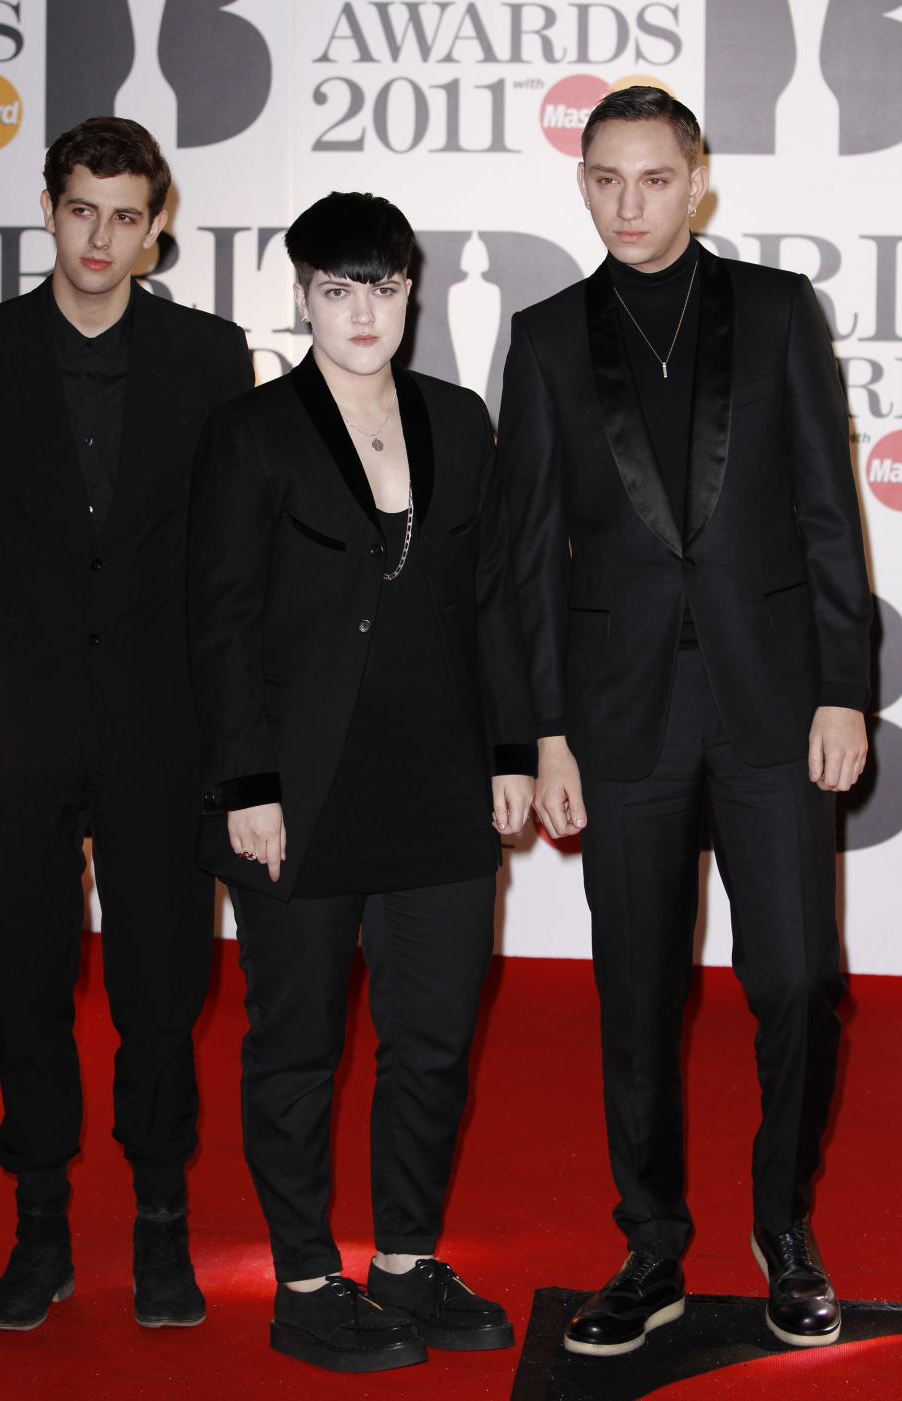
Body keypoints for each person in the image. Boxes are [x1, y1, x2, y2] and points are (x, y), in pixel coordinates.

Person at [497, 87, 871, 1356]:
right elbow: (528, 553)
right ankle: (651, 1244)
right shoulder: (547, 339)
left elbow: (832, 510)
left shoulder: (772, 312)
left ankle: (785, 1228)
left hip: (773, 703)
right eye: (605, 180)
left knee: (802, 982)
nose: (628, 205)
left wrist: (842, 685)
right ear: (584, 182)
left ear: (698, 181)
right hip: (620, 717)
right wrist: (541, 730)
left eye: (654, 180)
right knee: (636, 996)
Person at [187, 191, 536, 1374]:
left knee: (432, 1043)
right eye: (337, 289)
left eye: (381, 287)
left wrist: (509, 753)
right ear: (302, 296)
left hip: (438, 787)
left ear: (410, 290)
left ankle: (402, 1262)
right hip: (299, 793)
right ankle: (303, 1282)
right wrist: (245, 782)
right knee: (295, 1047)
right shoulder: (253, 432)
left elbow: (492, 601)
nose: (362, 312)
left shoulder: (459, 418)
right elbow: (220, 622)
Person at [0, 117, 254, 1331]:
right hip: (17, 717)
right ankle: (39, 1231)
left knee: (161, 988)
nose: (101, 237)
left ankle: (161, 1228)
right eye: (82, 209)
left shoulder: (208, 356)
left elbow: (225, 547)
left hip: (162, 724)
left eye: (127, 216)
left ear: (157, 225)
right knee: (27, 981)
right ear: (48, 207)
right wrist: (12, 633)